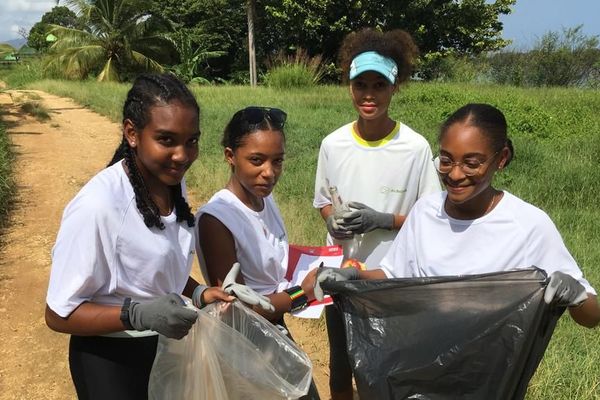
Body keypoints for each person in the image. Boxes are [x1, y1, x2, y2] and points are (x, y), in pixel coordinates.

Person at [45, 73, 269, 400]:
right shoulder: (99, 206)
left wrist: (201, 294)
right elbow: (58, 314)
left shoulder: (169, 182)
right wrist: (136, 314)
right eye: (166, 140)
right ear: (132, 133)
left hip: (166, 349)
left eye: (191, 141)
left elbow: (155, 271)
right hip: (112, 361)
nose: (182, 155)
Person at [315, 103, 600, 330]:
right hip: (418, 360)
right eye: (446, 160)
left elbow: (591, 317)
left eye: (471, 163)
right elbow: (394, 275)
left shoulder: (528, 226)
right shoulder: (426, 212)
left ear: (501, 159)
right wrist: (355, 275)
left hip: (488, 376)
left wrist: (575, 295)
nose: (454, 174)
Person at [312, 28, 441, 399]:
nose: (369, 95)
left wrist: (383, 220)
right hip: (340, 274)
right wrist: (330, 219)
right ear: (349, 87)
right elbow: (322, 200)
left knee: (387, 366)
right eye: (361, 84)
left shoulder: (414, 149)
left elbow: (429, 217)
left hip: (389, 276)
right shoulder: (332, 144)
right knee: (341, 363)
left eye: (379, 85)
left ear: (395, 86)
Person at [196, 106, 320, 399]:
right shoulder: (217, 220)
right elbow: (234, 309)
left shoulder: (264, 199)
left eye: (277, 161)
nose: (269, 172)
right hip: (246, 345)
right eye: (256, 160)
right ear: (230, 156)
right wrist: (302, 294)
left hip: (273, 329)